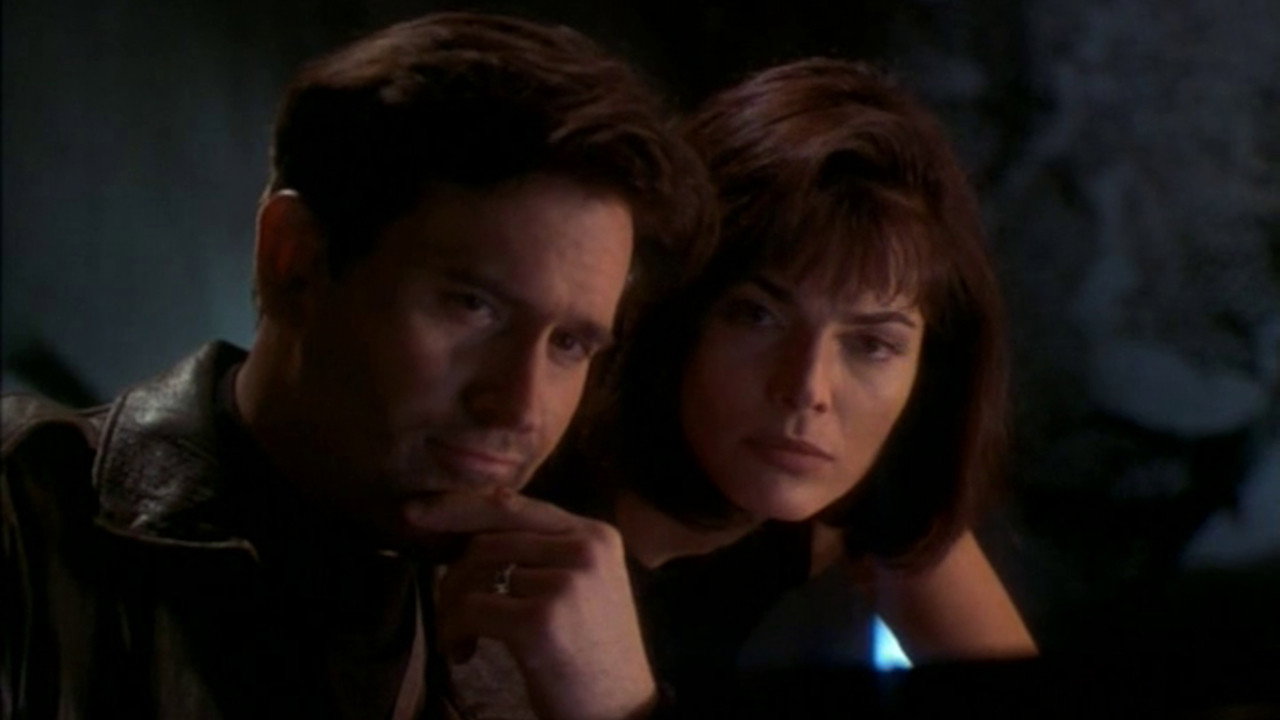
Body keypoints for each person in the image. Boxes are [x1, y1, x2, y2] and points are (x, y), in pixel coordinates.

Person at [1, 12, 714, 720]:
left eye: (569, 344)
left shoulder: (540, 643)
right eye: (473, 306)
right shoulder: (24, 528)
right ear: (295, 262)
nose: (522, 405)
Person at [540, 58, 1036, 708]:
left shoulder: (853, 497)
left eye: (872, 344)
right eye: (758, 316)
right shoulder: (530, 490)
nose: (808, 388)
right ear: (676, 315)